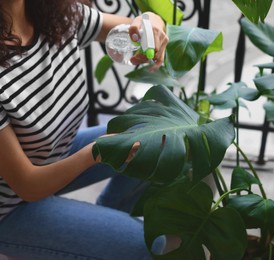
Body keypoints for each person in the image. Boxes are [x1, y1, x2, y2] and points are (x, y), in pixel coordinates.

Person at [0, 0, 168, 259]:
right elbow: (28, 185)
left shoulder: (52, 12)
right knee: (147, 243)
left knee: (155, 133)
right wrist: (96, 153)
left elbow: (129, 28)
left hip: (54, 153)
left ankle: (106, 221)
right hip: (10, 206)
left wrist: (150, 22)